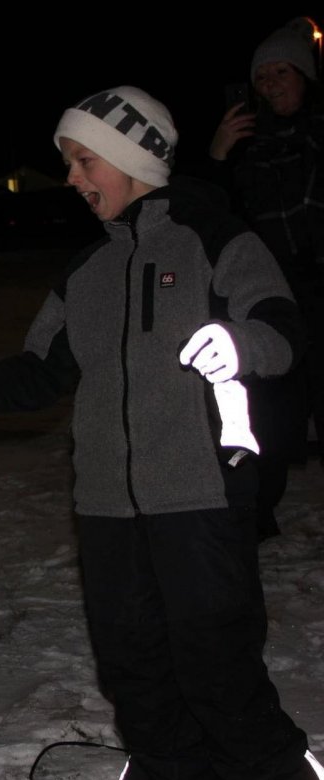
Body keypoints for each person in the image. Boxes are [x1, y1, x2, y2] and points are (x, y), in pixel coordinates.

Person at [0, 86, 324, 780]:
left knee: (218, 670)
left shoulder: (215, 239)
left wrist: (238, 343)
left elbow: (282, 326)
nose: (71, 177)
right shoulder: (86, 273)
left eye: (83, 160)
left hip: (200, 499)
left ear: (133, 157)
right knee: (135, 672)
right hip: (105, 509)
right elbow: (36, 376)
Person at [207, 17, 324, 539]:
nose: (271, 84)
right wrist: (217, 155)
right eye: (262, 76)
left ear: (305, 77)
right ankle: (257, 513)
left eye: (283, 72)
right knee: (269, 410)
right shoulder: (246, 147)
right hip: (271, 293)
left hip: (320, 286)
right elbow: (211, 219)